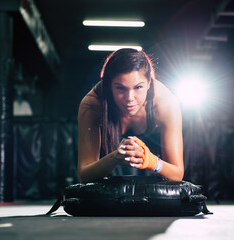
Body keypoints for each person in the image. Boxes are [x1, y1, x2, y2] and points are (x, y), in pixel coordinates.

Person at [78, 48, 183, 183]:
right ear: (109, 86)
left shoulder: (166, 103)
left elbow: (177, 174)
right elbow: (84, 174)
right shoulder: (92, 104)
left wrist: (151, 161)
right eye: (120, 88)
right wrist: (114, 158)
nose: (130, 98)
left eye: (138, 87)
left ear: (149, 83)